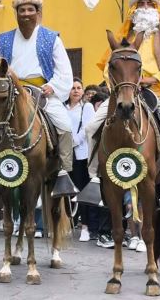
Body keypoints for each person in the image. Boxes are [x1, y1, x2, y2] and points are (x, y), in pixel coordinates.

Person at [86, 0, 160, 190]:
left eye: (150, 3)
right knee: (91, 127)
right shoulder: (125, 31)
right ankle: (94, 179)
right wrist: (122, 85)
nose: (146, 7)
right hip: (127, 91)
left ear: (157, 7)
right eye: (141, 3)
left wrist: (151, 80)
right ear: (134, 8)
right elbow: (109, 65)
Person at [0, 0, 75, 196]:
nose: (25, 14)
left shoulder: (52, 38)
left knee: (65, 126)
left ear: (38, 12)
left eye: (30, 10)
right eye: (21, 10)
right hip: (10, 93)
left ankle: (63, 173)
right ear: (16, 13)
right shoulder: (3, 39)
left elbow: (64, 71)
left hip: (42, 91)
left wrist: (53, 86)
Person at [65, 79, 96, 242]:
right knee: (66, 190)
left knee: (82, 190)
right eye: (73, 88)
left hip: (80, 154)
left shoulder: (87, 107)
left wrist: (74, 141)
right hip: (64, 154)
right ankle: (67, 223)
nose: (76, 91)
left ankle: (85, 227)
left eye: (78, 88)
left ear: (83, 91)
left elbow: (88, 128)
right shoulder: (62, 108)